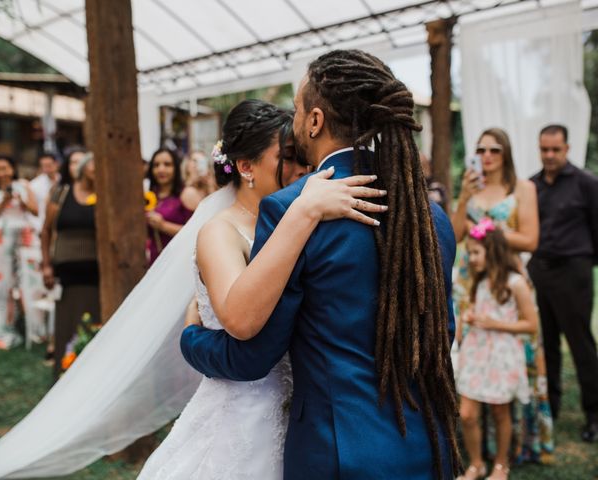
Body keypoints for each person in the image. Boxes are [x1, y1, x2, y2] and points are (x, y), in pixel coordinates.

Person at [0, 102, 382, 480]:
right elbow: (243, 321)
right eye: (287, 159)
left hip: (300, 415)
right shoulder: (221, 232)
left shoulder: (299, 222)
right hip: (242, 412)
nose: (301, 170)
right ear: (247, 166)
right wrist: (194, 335)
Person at [180, 50, 459, 479]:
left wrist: (191, 339)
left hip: (339, 455)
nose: (293, 124)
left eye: (295, 110)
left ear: (314, 120)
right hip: (427, 447)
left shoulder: (291, 210)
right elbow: (443, 332)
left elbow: (255, 355)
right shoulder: (429, 216)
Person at [451, 127, 553, 463]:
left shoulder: (522, 188)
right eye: (481, 150)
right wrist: (464, 198)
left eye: (494, 149)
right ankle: (474, 447)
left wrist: (489, 232)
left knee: (516, 355)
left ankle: (519, 442)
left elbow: (530, 240)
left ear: (505, 153)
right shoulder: (471, 188)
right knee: (473, 354)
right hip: (471, 283)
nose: (487, 155)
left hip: (506, 282)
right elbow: (454, 236)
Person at [527, 124, 598, 443]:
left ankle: (594, 415)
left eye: (555, 149)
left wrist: (583, 264)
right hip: (539, 271)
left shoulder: (586, 183)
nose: (550, 155)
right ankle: (551, 409)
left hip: (574, 272)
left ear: (567, 149)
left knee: (581, 344)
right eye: (544, 149)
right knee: (548, 345)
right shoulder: (531, 185)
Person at [457, 221, 538, 480]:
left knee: (500, 412)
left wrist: (495, 323)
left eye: (476, 253)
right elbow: (478, 310)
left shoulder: (515, 283)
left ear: (492, 252)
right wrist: (471, 317)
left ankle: (501, 464)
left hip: (502, 355)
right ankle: (477, 463)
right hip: (476, 352)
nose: (471, 258)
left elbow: (531, 324)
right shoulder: (479, 281)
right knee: (467, 413)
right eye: (470, 252)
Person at [40, 150, 100, 379]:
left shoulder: (104, 196)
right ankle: (62, 377)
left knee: (94, 325)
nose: (97, 171)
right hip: (67, 276)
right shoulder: (62, 193)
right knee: (66, 325)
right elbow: (45, 230)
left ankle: (91, 378)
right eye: (93, 165)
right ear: (83, 167)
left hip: (96, 275)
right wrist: (46, 265)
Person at [0, 155, 38, 349]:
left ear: (12, 168)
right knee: (0, 288)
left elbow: (35, 210)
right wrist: (4, 201)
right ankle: (3, 328)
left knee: (30, 284)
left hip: (24, 239)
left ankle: (34, 327)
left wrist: (21, 200)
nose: (2, 172)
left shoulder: (23, 185)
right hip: (0, 242)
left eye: (5, 168)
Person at [145, 148, 193, 264]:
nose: (161, 169)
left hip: (179, 262)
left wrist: (163, 225)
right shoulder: (149, 196)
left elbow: (196, 233)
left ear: (176, 168)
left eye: (167, 164)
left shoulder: (187, 194)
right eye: (156, 165)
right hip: (154, 261)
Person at [29, 152, 60, 233]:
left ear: (56, 164)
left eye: (49, 165)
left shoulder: (64, 180)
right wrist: (38, 227)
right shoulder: (34, 185)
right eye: (44, 166)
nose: (47, 169)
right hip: (42, 226)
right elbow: (32, 209)